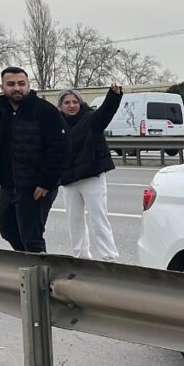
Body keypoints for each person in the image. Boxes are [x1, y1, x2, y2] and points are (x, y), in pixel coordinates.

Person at [0, 67, 69, 252]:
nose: (17, 88)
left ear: (28, 85)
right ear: (2, 86)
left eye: (21, 84)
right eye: (11, 84)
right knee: (8, 231)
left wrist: (46, 182)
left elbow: (60, 148)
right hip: (8, 184)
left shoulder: (45, 111)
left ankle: (39, 276)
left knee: (32, 237)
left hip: (36, 186)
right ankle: (27, 268)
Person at [58, 84, 123, 261]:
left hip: (91, 177)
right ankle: (81, 256)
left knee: (98, 219)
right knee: (74, 221)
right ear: (61, 106)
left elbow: (106, 112)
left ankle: (110, 258)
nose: (71, 105)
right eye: (67, 102)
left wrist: (114, 95)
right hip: (69, 181)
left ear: (80, 103)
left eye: (75, 102)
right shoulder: (57, 124)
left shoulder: (90, 119)